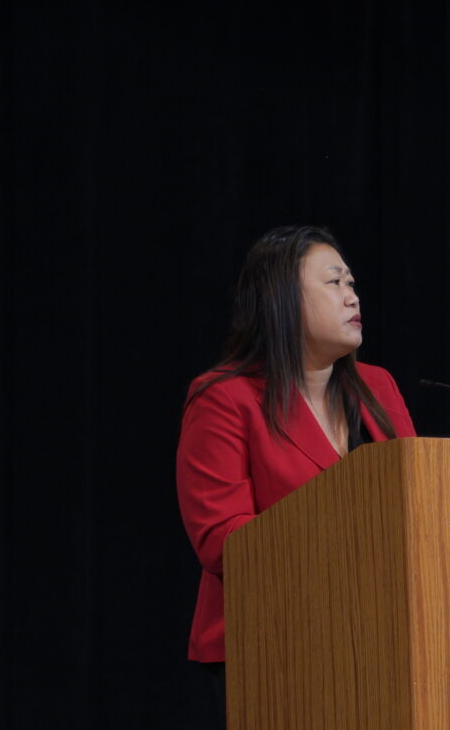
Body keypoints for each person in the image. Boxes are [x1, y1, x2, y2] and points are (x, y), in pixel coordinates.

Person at [176, 226, 415, 676]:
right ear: (283, 299)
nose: (352, 297)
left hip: (382, 637)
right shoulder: (225, 398)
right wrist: (347, 541)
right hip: (271, 647)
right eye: (334, 282)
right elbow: (223, 541)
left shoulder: (377, 386)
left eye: (351, 284)